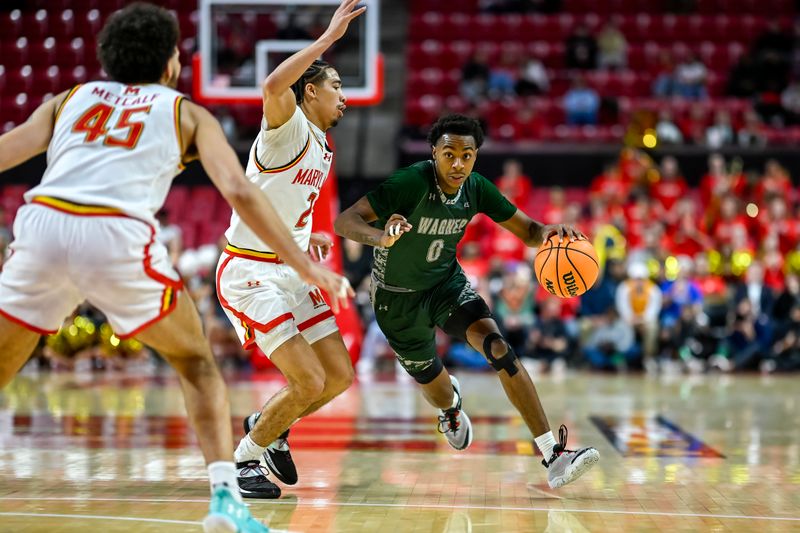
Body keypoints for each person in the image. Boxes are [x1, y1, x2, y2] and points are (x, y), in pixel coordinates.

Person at [0, 3, 350, 532]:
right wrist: (305, 261)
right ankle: (227, 499)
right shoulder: (185, 111)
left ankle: (261, 443)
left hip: (41, 226)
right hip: (119, 235)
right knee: (196, 365)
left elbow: (8, 151)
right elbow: (237, 190)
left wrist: (304, 243)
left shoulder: (67, 99)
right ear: (170, 64)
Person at [334, 114, 600, 489]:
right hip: (397, 301)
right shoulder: (409, 182)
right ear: (434, 153)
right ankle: (450, 409)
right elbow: (345, 220)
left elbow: (527, 230)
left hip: (445, 285)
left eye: (467, 155)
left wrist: (547, 233)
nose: (458, 164)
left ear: (475, 156)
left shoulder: (476, 188)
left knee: (499, 349)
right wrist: (381, 238)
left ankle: (553, 455)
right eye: (449, 154)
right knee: (437, 388)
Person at [216, 0, 363, 499]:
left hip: (290, 267)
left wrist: (308, 237)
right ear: (312, 91)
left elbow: (280, 202)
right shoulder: (288, 127)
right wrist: (326, 40)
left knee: (338, 377)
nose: (344, 96)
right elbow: (273, 86)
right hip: (250, 272)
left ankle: (269, 424)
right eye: (337, 86)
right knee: (305, 380)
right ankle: (244, 459)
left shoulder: (321, 145)